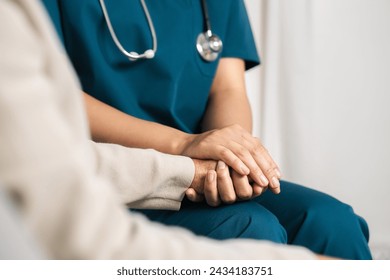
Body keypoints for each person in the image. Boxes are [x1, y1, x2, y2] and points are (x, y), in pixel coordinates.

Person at [0, 0, 334, 260]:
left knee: (329, 221)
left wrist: (229, 160)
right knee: (251, 227)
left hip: (202, 168)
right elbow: (50, 96)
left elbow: (228, 89)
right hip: (116, 176)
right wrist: (186, 146)